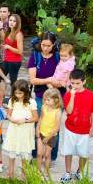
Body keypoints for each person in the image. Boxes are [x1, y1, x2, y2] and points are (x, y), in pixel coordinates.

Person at [28, 31, 62, 160]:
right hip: (39, 96)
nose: (45, 48)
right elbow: (33, 80)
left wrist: (54, 83)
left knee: (54, 125)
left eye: (48, 45)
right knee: (39, 124)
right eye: (43, 45)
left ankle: (50, 156)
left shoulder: (59, 57)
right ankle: (37, 154)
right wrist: (49, 80)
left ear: (54, 44)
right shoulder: (35, 56)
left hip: (56, 98)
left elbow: (62, 81)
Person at [60, 69, 93, 183]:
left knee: (84, 153)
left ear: (84, 81)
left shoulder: (91, 95)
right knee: (68, 151)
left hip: (85, 130)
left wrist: (92, 126)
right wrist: (72, 96)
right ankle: (67, 172)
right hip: (70, 128)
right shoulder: (67, 94)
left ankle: (79, 172)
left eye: (78, 83)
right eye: (72, 83)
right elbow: (69, 111)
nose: (75, 86)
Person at [3, 79, 38, 178]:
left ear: (26, 92)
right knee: (12, 152)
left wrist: (25, 120)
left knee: (24, 153)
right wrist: (12, 119)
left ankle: (24, 174)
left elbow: (35, 118)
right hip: (14, 130)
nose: (18, 95)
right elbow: (8, 114)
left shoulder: (31, 102)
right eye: (16, 92)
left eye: (20, 93)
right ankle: (10, 173)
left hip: (25, 131)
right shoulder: (12, 100)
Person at [36, 88, 62, 175]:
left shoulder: (58, 112)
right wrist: (37, 128)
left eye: (48, 100)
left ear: (56, 100)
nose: (46, 101)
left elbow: (57, 128)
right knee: (39, 153)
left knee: (47, 155)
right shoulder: (44, 107)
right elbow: (41, 119)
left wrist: (48, 138)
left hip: (51, 136)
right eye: (45, 99)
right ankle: (38, 170)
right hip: (41, 133)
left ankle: (47, 171)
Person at [2, 14, 24, 88]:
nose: (11, 22)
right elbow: (5, 44)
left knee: (13, 82)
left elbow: (20, 51)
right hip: (6, 60)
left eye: (14, 21)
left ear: (17, 23)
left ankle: (14, 98)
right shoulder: (8, 32)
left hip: (15, 62)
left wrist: (9, 47)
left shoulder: (18, 34)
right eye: (10, 20)